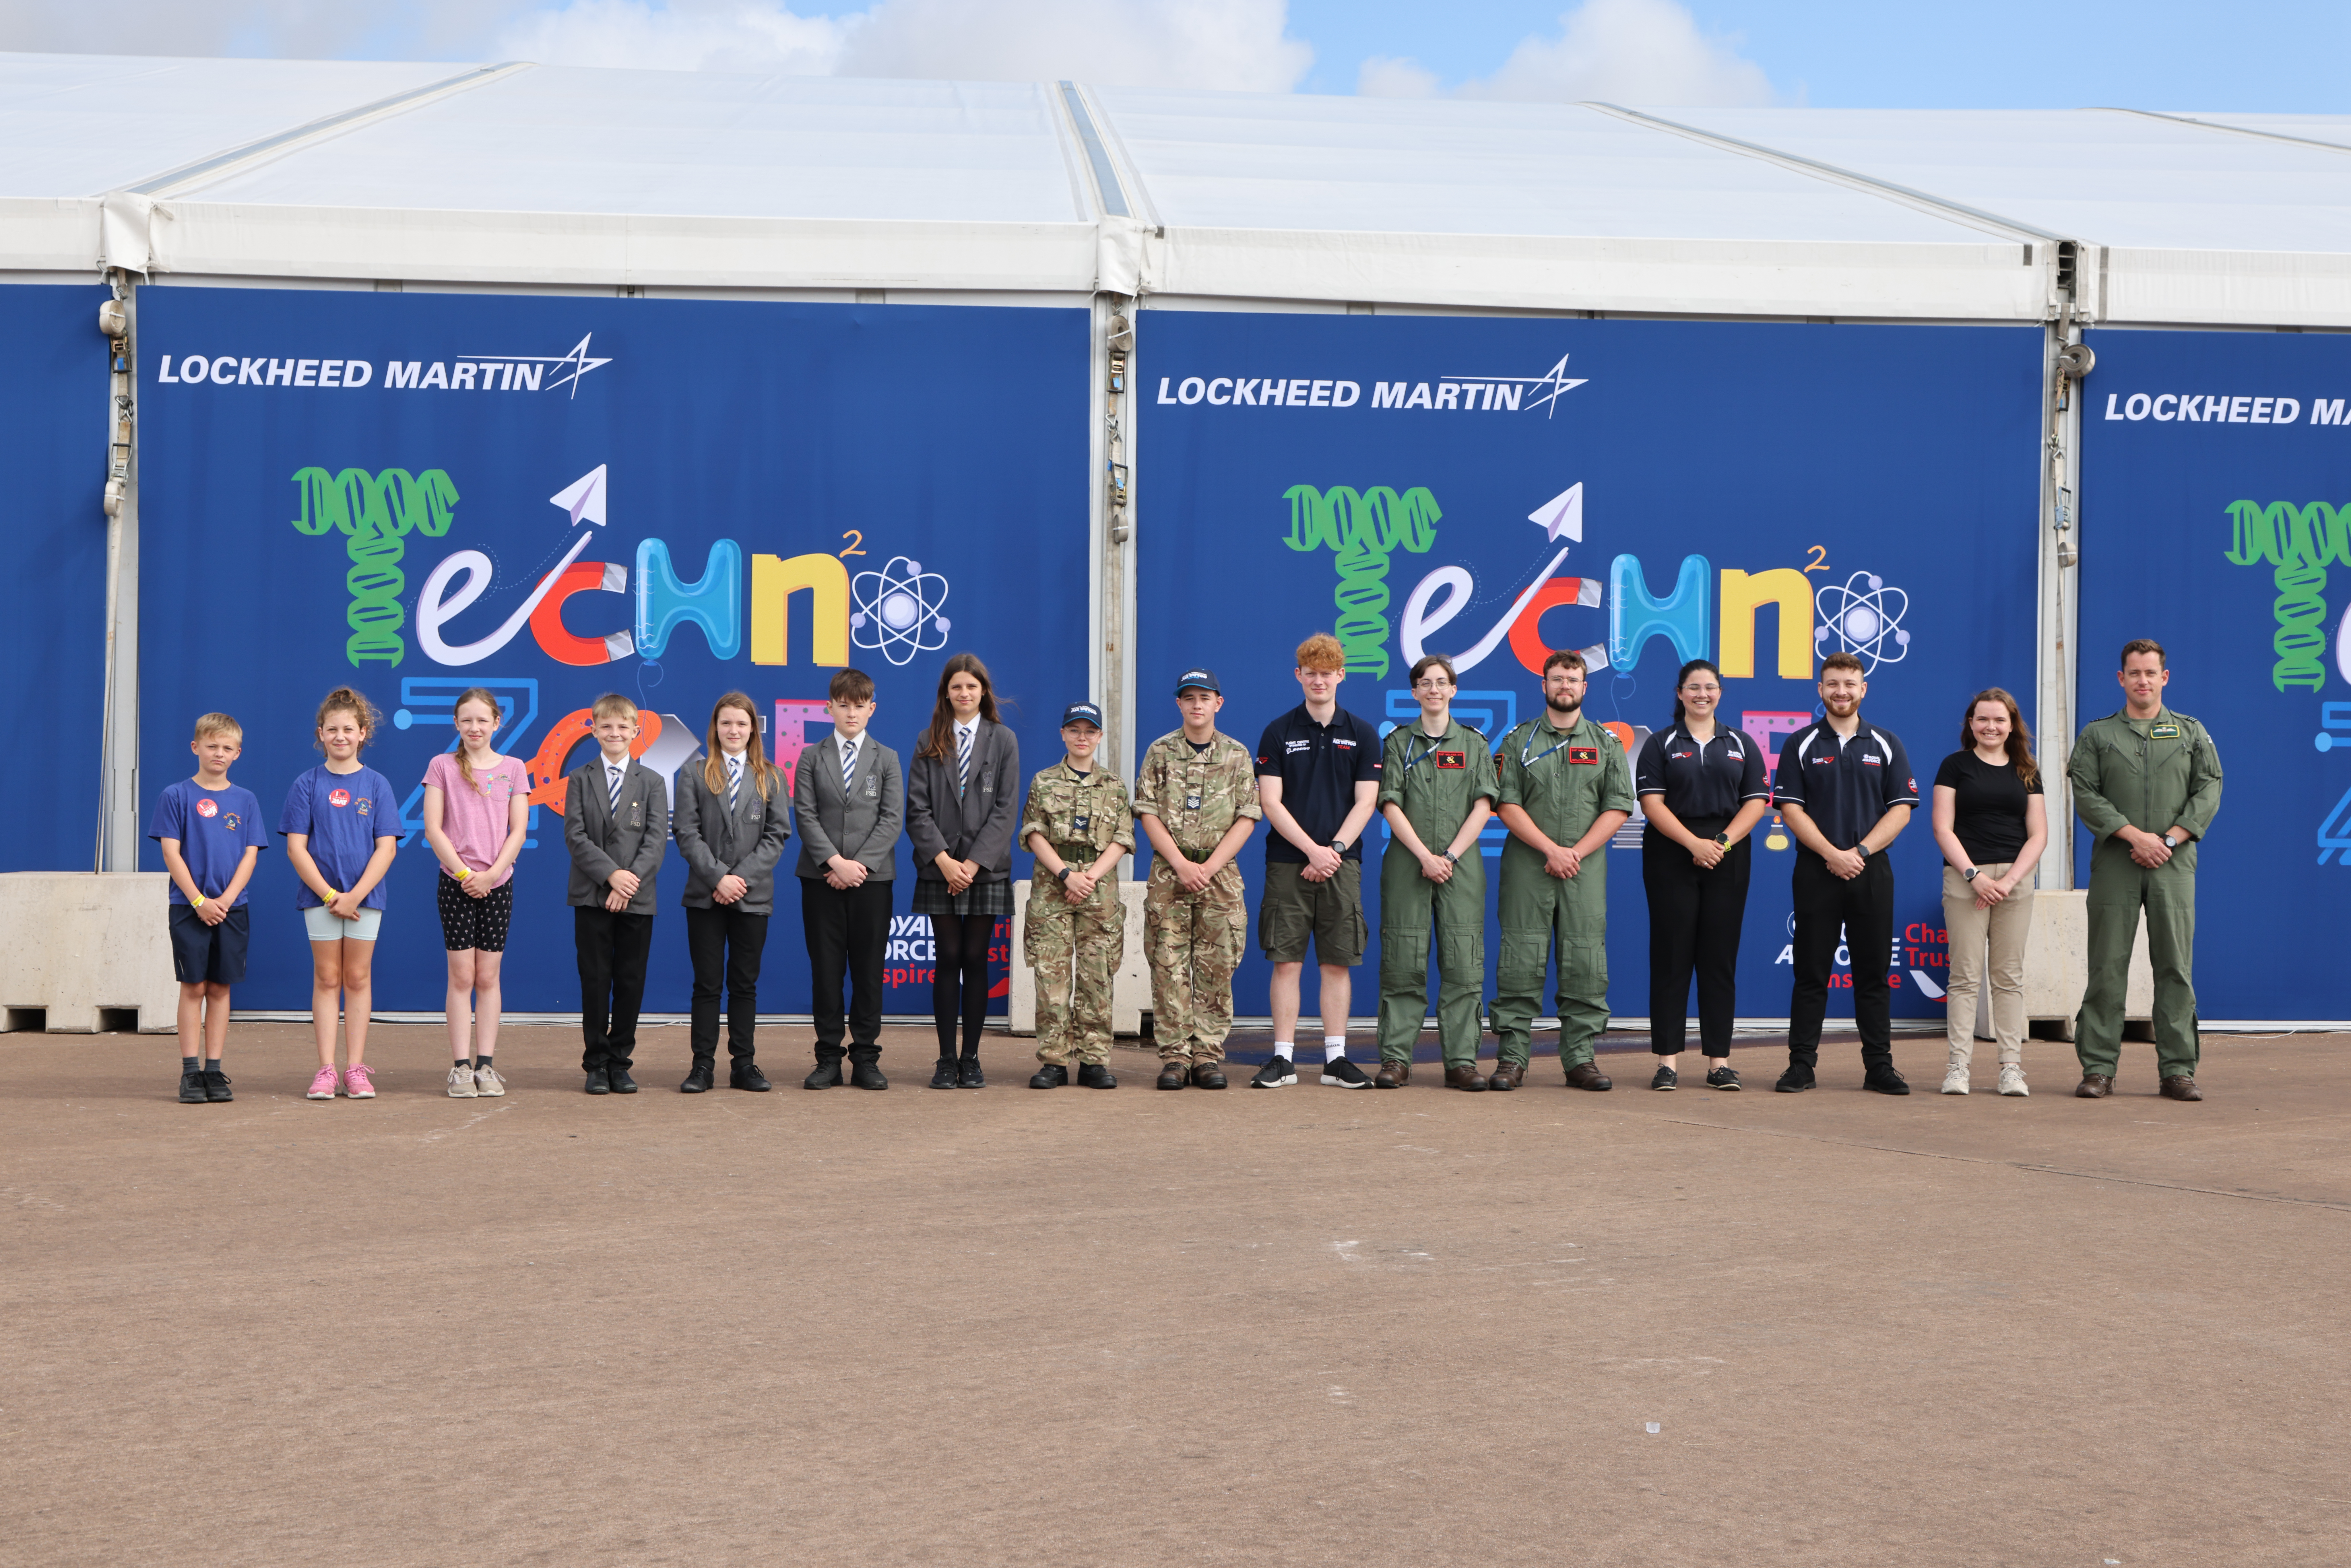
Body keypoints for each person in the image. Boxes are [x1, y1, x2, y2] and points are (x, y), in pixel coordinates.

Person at [2068, 639, 2222, 1101]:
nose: (2142, 681)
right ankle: (2098, 1068)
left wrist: (2171, 839)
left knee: (2175, 967)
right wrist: (2135, 837)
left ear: (2164, 678)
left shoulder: (2191, 732)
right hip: (2117, 862)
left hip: (2174, 865)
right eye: (2134, 673)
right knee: (2107, 967)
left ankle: (2178, 1070)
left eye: (2151, 673)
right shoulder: (2098, 736)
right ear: (2121, 679)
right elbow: (2085, 791)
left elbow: (2210, 787)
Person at [1771, 652, 1919, 1095]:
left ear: (1863, 690)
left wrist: (1859, 851)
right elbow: (1791, 810)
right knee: (1811, 973)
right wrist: (1832, 854)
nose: (1841, 692)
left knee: (1873, 974)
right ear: (1821, 690)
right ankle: (1801, 1066)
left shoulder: (1887, 743)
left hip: (1871, 872)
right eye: (1833, 684)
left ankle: (1879, 1067)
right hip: (1816, 871)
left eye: (1850, 684)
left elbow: (1902, 811)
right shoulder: (1800, 744)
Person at [1496, 649, 1636, 1091]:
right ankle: (1512, 1059)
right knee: (1520, 958)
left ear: (1584, 688)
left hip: (1585, 868)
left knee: (1584, 961)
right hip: (1528, 864)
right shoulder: (1518, 741)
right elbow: (1506, 803)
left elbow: (1619, 806)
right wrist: (1550, 849)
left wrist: (1574, 853)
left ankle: (1580, 1059)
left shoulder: (1606, 744)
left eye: (1572, 680)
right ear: (1544, 685)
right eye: (1557, 679)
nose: (1564, 687)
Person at [1252, 632, 1382, 1089]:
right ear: (1299, 676)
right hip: (1289, 863)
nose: (1319, 681)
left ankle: (1335, 1059)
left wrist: (1335, 853)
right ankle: (1284, 1059)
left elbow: (1367, 803)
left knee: (1336, 962)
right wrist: (1312, 851)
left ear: (1341, 676)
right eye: (1311, 674)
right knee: (1286, 961)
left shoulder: (1363, 734)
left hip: (1343, 865)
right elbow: (1271, 802)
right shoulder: (1279, 732)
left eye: (1327, 674)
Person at [1634, 659, 1770, 1092]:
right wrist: (1693, 844)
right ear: (1680, 694)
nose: (1702, 695)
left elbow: (1755, 803)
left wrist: (1721, 844)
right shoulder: (1660, 744)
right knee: (1672, 958)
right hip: (1671, 854)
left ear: (1720, 694)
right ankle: (1667, 1063)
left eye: (1710, 688)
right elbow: (1652, 804)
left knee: (1718, 959)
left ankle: (1719, 1063)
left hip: (1727, 854)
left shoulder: (1742, 743)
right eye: (1693, 688)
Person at [1375, 654, 1499, 1090]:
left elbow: (1484, 805)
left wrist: (1448, 856)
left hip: (1461, 869)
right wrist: (1426, 857)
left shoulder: (1474, 744)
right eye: (1425, 683)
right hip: (1408, 865)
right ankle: (1396, 1060)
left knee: (1464, 966)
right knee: (1403, 964)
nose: (1433, 690)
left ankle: (1462, 1062)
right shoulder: (1396, 743)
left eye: (1441, 683)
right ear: (1414, 692)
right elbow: (1390, 803)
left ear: (1453, 691)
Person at [1134, 668, 1261, 1090]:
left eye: (1204, 698)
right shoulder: (1160, 752)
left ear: (1218, 704)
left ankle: (1207, 1055)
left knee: (1216, 966)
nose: (1197, 705)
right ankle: (1174, 1057)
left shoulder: (1237, 755)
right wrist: (1182, 864)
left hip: (1219, 875)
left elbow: (1248, 816)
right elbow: (1148, 811)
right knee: (1169, 965)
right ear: (1179, 704)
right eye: (1189, 698)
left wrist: (1208, 867)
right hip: (1171, 873)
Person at [906, 654, 1021, 1090]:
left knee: (976, 958)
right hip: (941, 869)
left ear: (984, 692)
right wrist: (945, 861)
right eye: (957, 686)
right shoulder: (928, 740)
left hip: (984, 869)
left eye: (972, 687)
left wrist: (972, 865)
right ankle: (945, 1059)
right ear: (946, 692)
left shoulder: (1003, 739)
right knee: (948, 957)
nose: (964, 693)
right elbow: (917, 811)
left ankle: (971, 1058)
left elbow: (1007, 809)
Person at [281, 687, 402, 1102]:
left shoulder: (377, 785)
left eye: (348, 729)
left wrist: (355, 896)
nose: (340, 736)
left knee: (357, 977)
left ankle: (356, 1069)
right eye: (332, 729)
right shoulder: (306, 784)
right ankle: (326, 1070)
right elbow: (296, 847)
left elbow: (387, 846)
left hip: (366, 901)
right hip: (321, 900)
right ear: (321, 733)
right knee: (328, 977)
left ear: (363, 733)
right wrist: (333, 895)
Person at [1929, 688, 2047, 1098]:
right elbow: (1943, 827)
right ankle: (1958, 1067)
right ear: (1971, 724)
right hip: (1966, 881)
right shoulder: (1954, 766)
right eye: (1983, 719)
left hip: (2013, 883)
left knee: (2008, 978)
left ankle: (2011, 1068)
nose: (1991, 727)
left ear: (2012, 724)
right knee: (1964, 977)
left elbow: (2039, 835)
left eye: (1999, 720)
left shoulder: (2026, 770)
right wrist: (1975, 876)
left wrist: (2009, 882)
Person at [672, 690, 792, 1094]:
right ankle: (702, 1066)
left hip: (752, 897)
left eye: (742, 723)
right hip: (706, 897)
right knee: (707, 984)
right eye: (727, 723)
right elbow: (686, 834)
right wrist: (719, 878)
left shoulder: (771, 776)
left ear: (754, 729)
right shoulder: (694, 774)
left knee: (744, 984)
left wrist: (740, 881)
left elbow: (778, 835)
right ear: (716, 728)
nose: (734, 730)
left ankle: (744, 1065)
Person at [149, 713, 267, 1104]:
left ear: (238, 753)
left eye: (227, 748)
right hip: (189, 907)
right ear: (196, 747)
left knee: (219, 988)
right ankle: (190, 1072)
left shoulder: (245, 800)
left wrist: (227, 900)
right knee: (194, 986)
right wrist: (200, 901)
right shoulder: (176, 796)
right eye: (212, 746)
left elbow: (250, 856)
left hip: (232, 909)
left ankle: (214, 1071)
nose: (219, 753)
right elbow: (172, 852)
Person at [794, 668, 903, 1091]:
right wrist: (834, 863)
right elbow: (804, 814)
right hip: (820, 879)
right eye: (844, 705)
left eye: (860, 705)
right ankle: (827, 1059)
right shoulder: (810, 756)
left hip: (872, 881)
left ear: (872, 709)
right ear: (830, 708)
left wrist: (859, 867)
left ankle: (866, 1058)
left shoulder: (888, 758)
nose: (851, 712)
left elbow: (892, 819)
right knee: (826, 970)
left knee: (868, 970)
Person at [420, 688, 530, 1099]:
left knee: (488, 976)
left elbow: (518, 829)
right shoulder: (442, 766)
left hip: (499, 885)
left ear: (497, 723)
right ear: (456, 724)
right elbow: (434, 828)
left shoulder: (515, 768)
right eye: (466, 720)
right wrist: (467, 874)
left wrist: (492, 875)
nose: (475, 727)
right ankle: (461, 1068)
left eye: (483, 720)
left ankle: (487, 1065)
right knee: (462, 975)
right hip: (456, 884)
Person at [1020, 703, 1134, 1088]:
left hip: (1099, 891)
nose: (1082, 738)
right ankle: (1054, 1061)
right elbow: (1034, 832)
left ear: (1100, 736)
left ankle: (1094, 1060)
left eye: (1090, 731)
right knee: (1051, 977)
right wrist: (1067, 875)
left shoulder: (1115, 786)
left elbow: (1122, 838)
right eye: (1075, 730)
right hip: (1054, 886)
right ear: (1063, 734)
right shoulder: (1044, 781)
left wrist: (1088, 879)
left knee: (1097, 977)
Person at [563, 693, 669, 1096]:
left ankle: (621, 1062)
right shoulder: (579, 778)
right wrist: (611, 877)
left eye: (623, 727)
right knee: (595, 979)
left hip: (637, 898)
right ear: (593, 730)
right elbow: (576, 836)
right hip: (592, 896)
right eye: (606, 726)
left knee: (630, 980)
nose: (615, 733)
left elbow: (656, 841)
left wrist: (629, 882)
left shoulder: (654, 782)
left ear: (635, 732)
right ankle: (596, 1063)